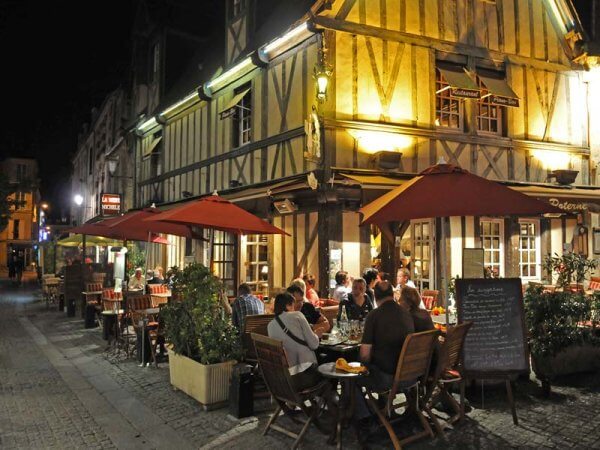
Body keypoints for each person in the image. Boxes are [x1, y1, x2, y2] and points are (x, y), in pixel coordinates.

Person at [354, 281, 415, 439]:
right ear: (392, 295)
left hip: (388, 379)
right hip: (411, 375)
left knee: (351, 378)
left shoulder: (374, 315)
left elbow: (365, 354)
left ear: (375, 297)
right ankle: (383, 407)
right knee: (379, 363)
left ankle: (365, 419)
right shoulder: (406, 313)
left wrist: (359, 365)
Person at [267, 292, 322, 391]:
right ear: (287, 305)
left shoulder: (270, 326)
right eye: (293, 304)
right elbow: (314, 345)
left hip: (284, 379)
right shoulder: (297, 315)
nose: (295, 308)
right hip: (305, 374)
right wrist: (317, 335)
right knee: (329, 366)